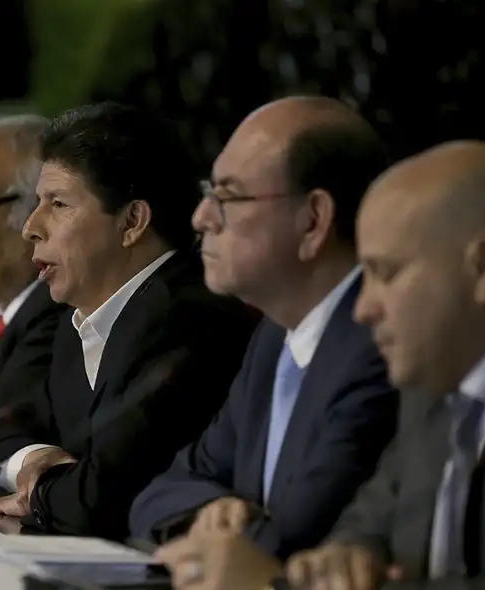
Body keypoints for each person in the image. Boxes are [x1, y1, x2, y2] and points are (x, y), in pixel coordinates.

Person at [156, 141, 485, 590]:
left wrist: (271, 586)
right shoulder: (434, 382)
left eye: (386, 273)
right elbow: (368, 523)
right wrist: (346, 558)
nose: (363, 309)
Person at [0, 102, 260, 540]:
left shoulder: (191, 323)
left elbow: (104, 499)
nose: (31, 226)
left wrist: (39, 493)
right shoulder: (78, 322)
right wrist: (32, 459)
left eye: (58, 203)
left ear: (131, 221)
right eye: (37, 203)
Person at [130, 97, 398, 560]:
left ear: (313, 220)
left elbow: (295, 541)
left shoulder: (376, 346)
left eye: (228, 197)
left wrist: (222, 537)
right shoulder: (275, 337)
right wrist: (212, 510)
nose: (201, 218)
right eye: (207, 193)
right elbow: (161, 493)